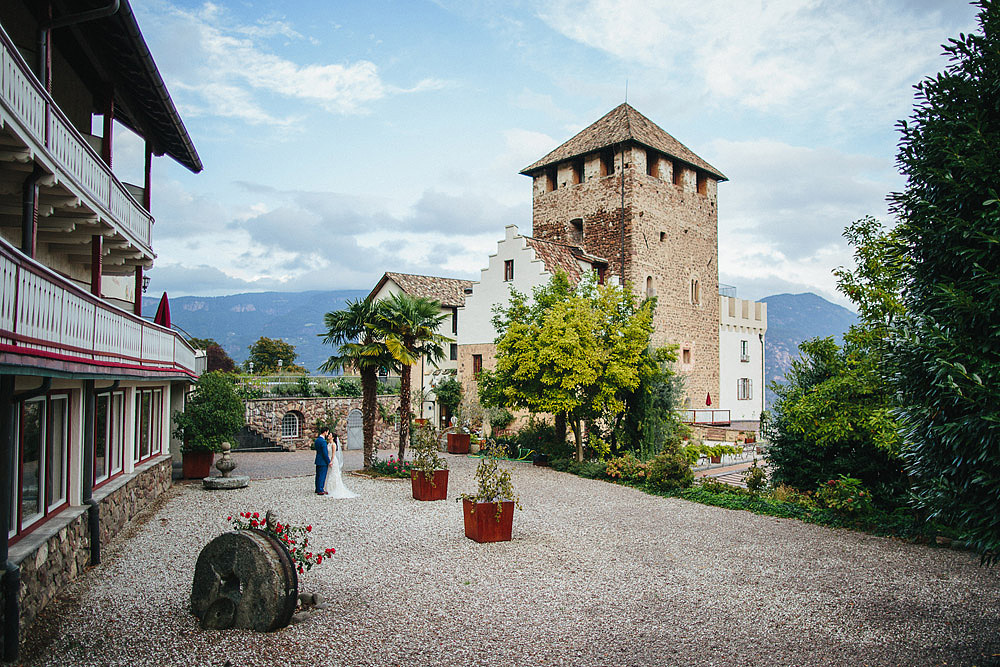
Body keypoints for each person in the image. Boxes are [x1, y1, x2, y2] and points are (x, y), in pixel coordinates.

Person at [325, 434, 358, 499]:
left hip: (333, 461)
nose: (329, 435)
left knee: (334, 474)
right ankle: (329, 488)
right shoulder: (329, 444)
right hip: (329, 459)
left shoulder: (333, 445)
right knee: (330, 473)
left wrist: (331, 461)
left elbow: (333, 454)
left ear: (333, 437)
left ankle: (334, 488)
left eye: (330, 435)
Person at [314, 427, 331, 495]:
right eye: (327, 432)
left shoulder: (317, 440)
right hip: (323, 461)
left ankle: (317, 488)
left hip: (318, 459)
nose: (327, 434)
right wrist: (328, 461)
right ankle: (320, 489)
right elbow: (325, 453)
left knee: (318, 475)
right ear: (325, 432)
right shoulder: (323, 442)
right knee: (322, 475)